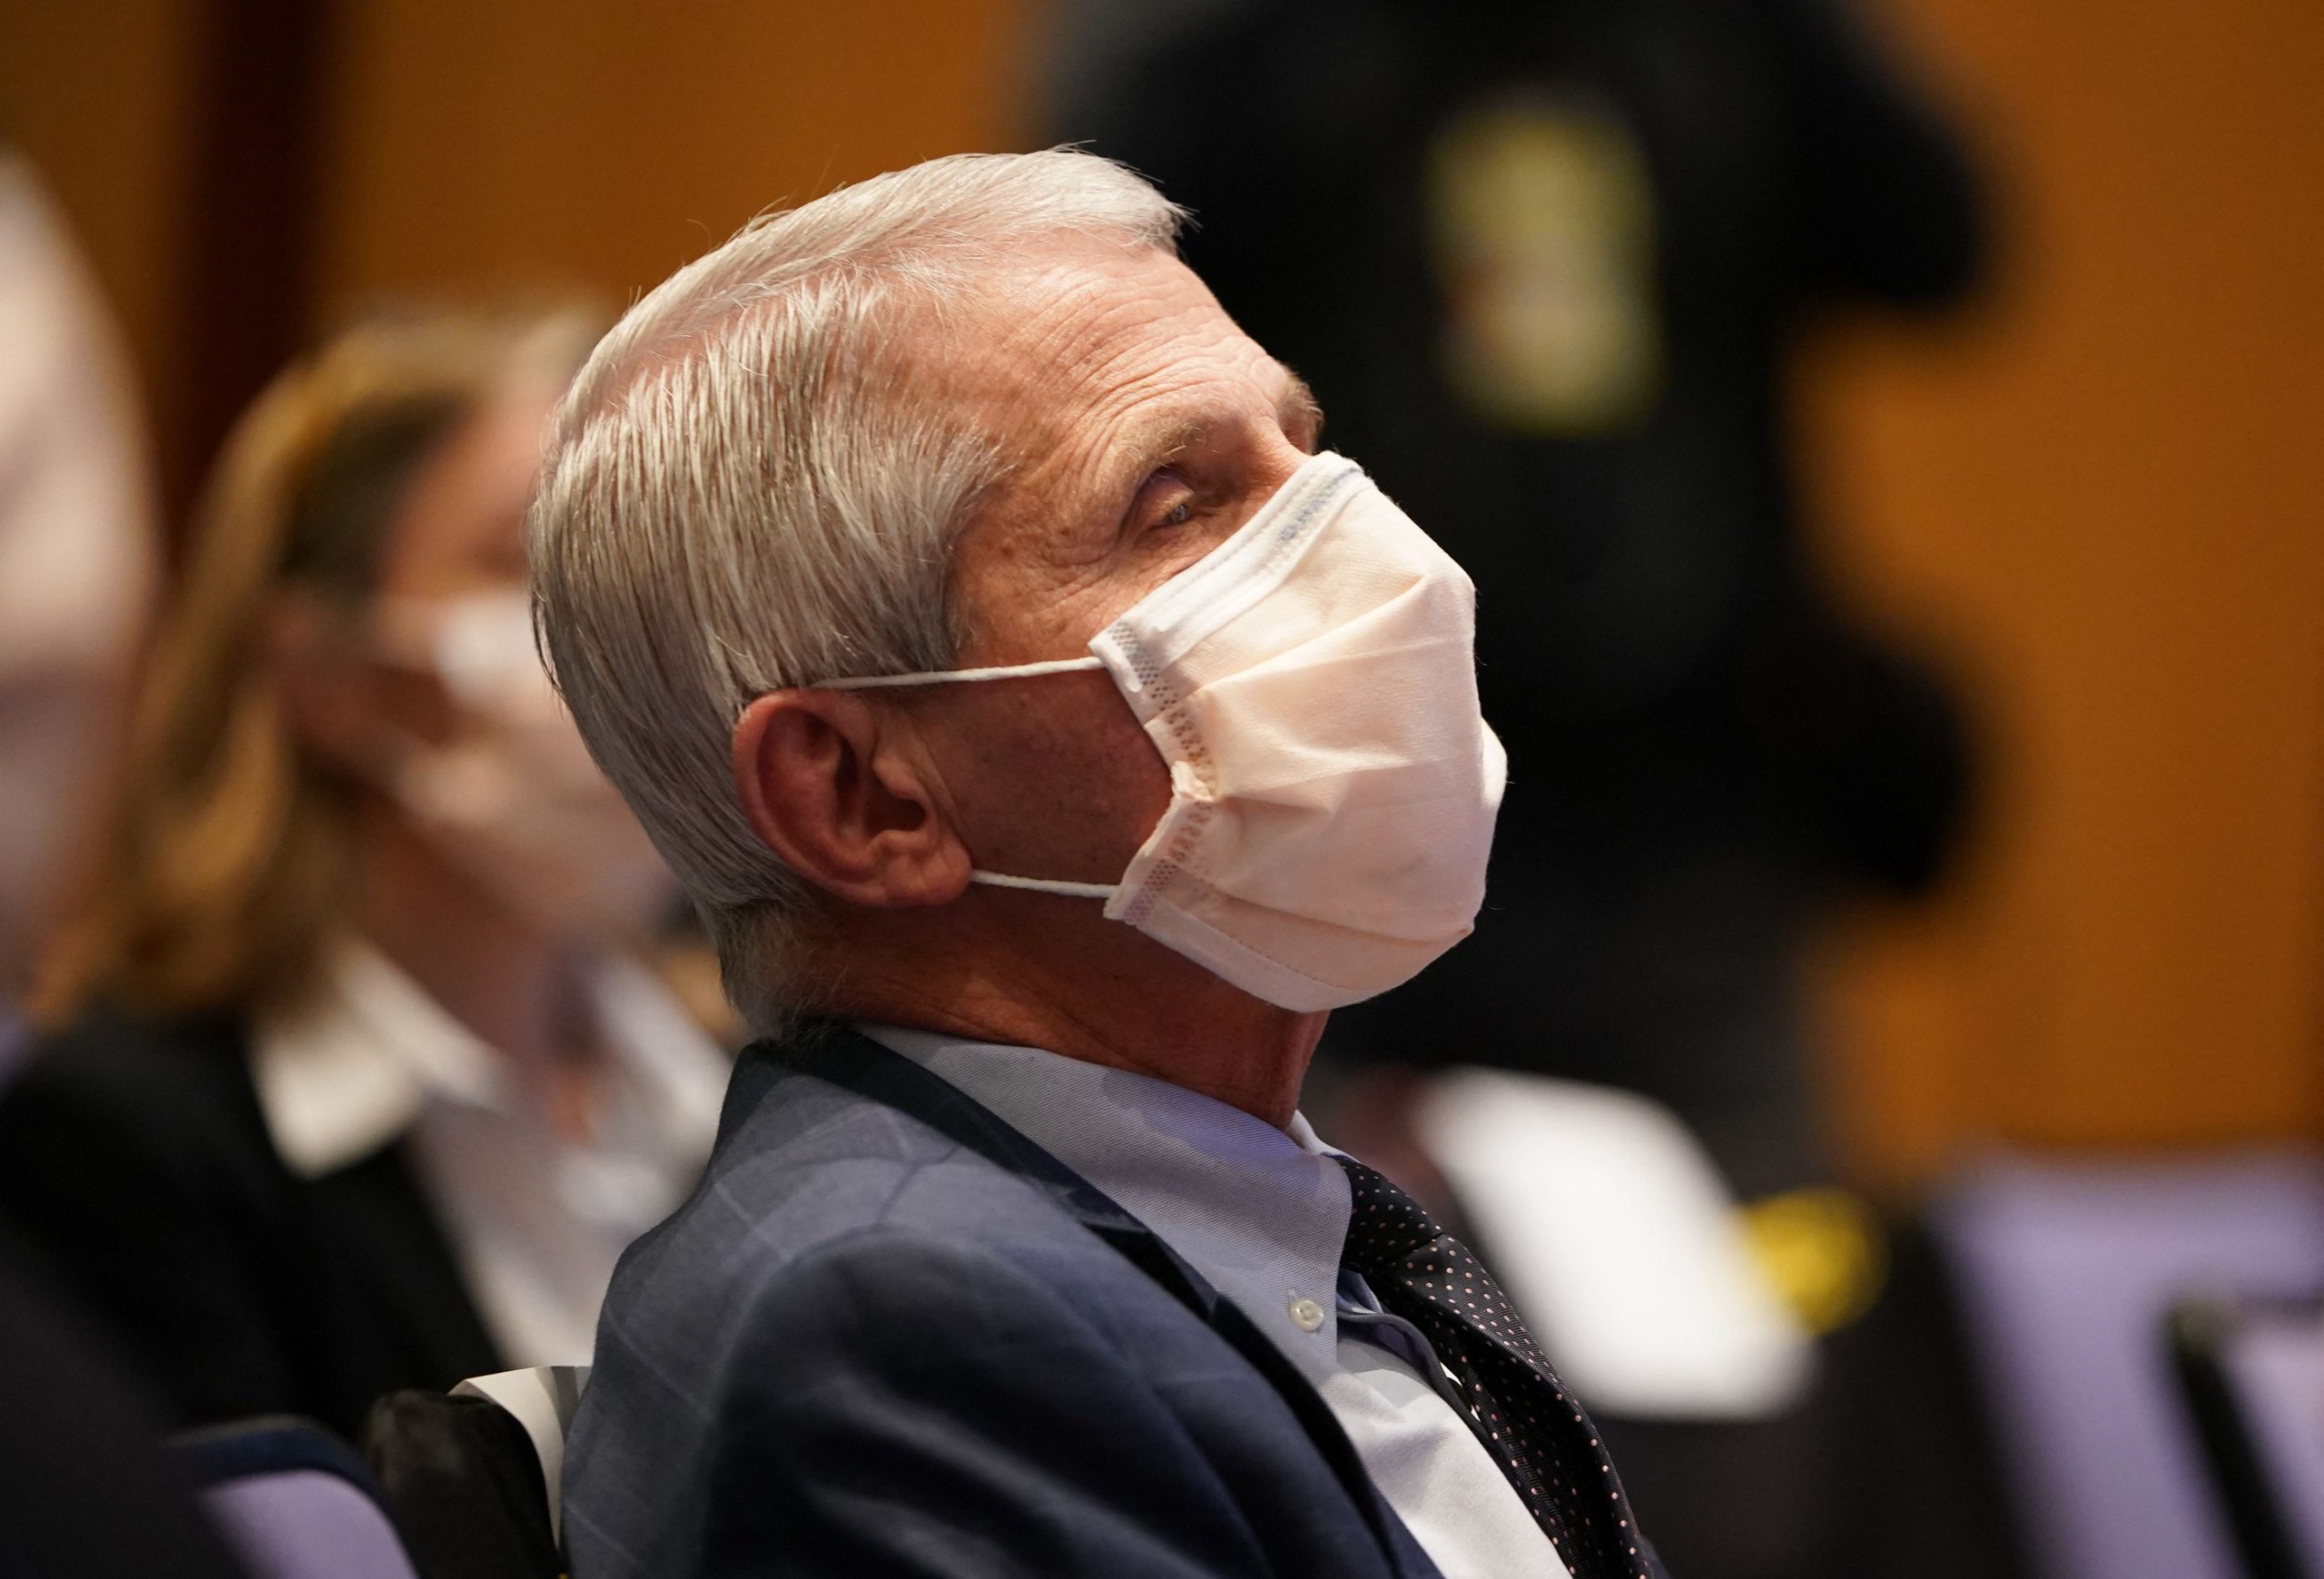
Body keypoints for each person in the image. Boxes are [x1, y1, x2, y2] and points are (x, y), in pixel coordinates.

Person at [537, 150, 1666, 1579]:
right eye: (1177, 500)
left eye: (1304, 451)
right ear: (866, 796)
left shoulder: (1259, 1216)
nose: (1382, 557)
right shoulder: (905, 1328)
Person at [0, 310, 731, 1443]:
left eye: (643, 566)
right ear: (329, 676)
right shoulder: (127, 1140)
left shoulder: (744, 1086)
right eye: (529, 562)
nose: (629, 639)